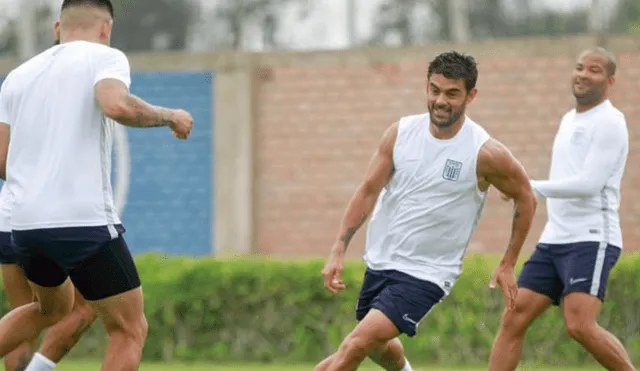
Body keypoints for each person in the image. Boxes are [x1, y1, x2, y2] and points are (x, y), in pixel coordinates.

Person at [315, 51, 538, 371]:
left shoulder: (484, 152)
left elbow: (527, 198)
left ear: (471, 95)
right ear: (426, 87)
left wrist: (508, 262)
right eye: (435, 90)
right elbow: (367, 192)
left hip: (427, 273)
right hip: (381, 262)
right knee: (379, 348)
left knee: (354, 345)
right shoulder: (400, 134)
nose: (441, 100)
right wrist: (339, 248)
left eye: (452, 93)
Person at [0, 0, 193, 370]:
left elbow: (1, 155)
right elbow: (116, 105)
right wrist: (171, 116)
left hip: (23, 224)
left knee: (49, 309)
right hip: (82, 223)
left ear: (59, 28)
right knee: (130, 329)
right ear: (106, 28)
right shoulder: (105, 57)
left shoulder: (19, 75)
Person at [488, 47, 636, 371]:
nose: (583, 74)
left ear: (610, 80)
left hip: (592, 238)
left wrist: (529, 186)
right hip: (554, 238)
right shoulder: (568, 119)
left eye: (594, 70)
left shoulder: (611, 122)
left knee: (579, 325)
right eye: (580, 67)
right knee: (514, 317)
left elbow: (589, 184)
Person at [0, 39, 98, 371]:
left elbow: (2, 160)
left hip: (10, 218)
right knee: (84, 308)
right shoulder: (84, 92)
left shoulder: (20, 83)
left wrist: (27, 180)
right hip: (52, 220)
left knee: (24, 319)